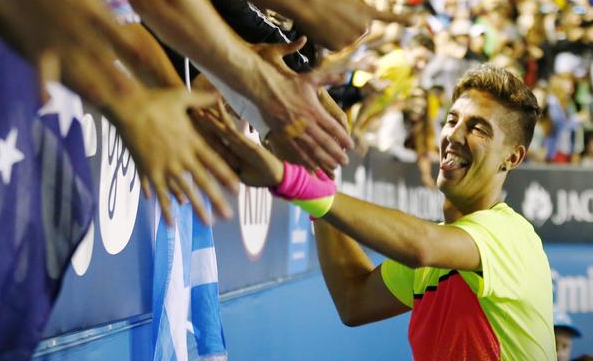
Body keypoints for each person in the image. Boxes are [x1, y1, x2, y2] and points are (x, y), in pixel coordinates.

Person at [199, 64, 556, 360]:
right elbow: (354, 300)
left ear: (512, 157)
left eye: (477, 128)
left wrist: (289, 180)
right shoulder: (444, 252)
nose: (454, 135)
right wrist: (311, 171)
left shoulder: (512, 236)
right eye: (452, 120)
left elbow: (422, 245)